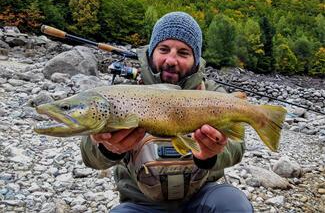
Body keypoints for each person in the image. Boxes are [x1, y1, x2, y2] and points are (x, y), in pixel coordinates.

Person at [80, 12, 253, 212]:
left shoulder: (213, 94)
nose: (171, 60)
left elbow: (237, 145)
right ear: (151, 52)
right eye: (164, 49)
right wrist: (106, 147)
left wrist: (211, 155)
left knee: (233, 204)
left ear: (196, 60)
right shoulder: (124, 94)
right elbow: (89, 156)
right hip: (141, 204)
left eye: (183, 53)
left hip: (202, 198)